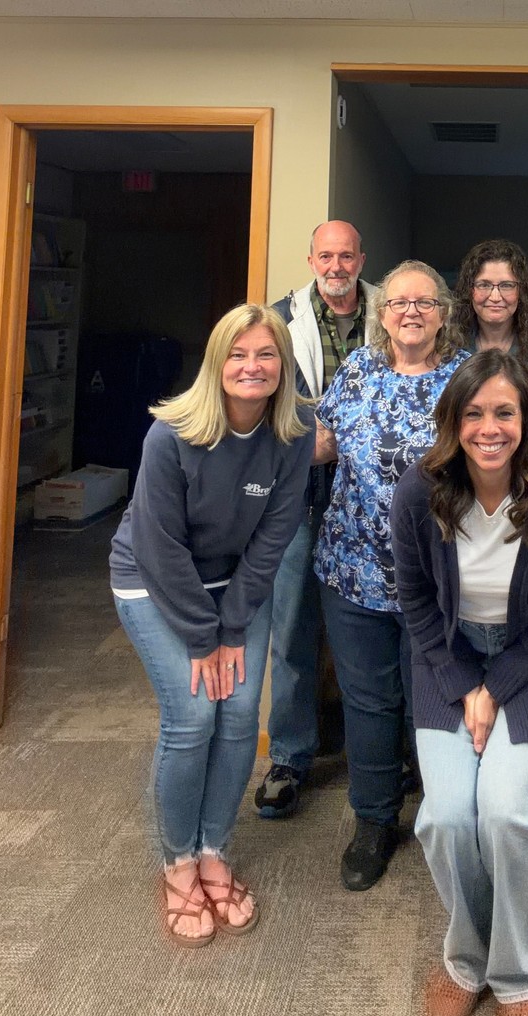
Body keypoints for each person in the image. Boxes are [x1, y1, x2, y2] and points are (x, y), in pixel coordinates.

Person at [391, 351, 528, 1016]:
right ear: (452, 420)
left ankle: (522, 973)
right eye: (473, 413)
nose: (488, 428)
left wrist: (496, 686)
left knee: (508, 811)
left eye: (503, 413)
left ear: (527, 418)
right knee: (447, 816)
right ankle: (466, 960)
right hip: (442, 655)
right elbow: (416, 600)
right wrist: (461, 683)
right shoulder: (418, 490)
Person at [110, 304, 314, 947]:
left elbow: (275, 537)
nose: (251, 367)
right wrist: (205, 636)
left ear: (283, 366)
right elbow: (160, 545)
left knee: (240, 711)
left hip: (237, 584)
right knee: (194, 714)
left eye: (266, 355)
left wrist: (231, 628)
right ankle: (176, 862)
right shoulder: (170, 433)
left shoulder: (295, 431)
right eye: (238, 354)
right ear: (216, 361)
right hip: (152, 577)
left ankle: (213, 849)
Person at [313, 259, 470, 891]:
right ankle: (373, 821)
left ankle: (442, 816)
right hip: (352, 572)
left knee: (433, 701)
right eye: (399, 302)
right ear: (382, 315)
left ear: (443, 314)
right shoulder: (357, 371)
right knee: (369, 701)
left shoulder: (468, 378)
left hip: (439, 579)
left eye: (424, 303)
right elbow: (320, 444)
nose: (410, 311)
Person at [255, 220, 374, 820]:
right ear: (310, 259)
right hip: (299, 495)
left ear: (361, 258)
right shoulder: (277, 320)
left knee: (368, 631)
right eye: (326, 255)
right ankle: (291, 756)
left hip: (369, 500)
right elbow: (257, 401)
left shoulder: (391, 311)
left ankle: (378, 756)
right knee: (294, 627)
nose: (336, 265)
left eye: (346, 255)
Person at [451, 238, 528, 408]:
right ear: (469, 290)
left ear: (521, 291)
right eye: (484, 285)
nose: (495, 297)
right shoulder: (450, 347)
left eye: (506, 285)